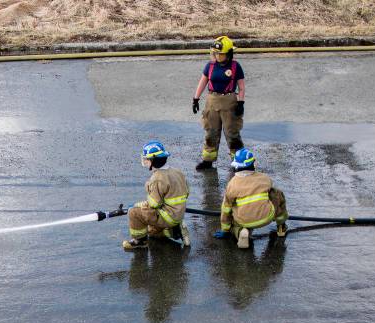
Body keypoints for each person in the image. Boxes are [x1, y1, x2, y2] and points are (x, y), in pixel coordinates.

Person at [215, 147, 289, 249]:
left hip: (243, 221)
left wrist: (225, 230)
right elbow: (270, 191)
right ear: (253, 164)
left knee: (229, 207)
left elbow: (226, 209)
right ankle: (281, 226)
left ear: (235, 166)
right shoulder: (264, 178)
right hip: (267, 217)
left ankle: (241, 232)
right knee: (276, 194)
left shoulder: (232, 184)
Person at [123, 141, 191, 251]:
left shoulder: (157, 178)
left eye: (146, 159)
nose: (145, 161)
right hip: (178, 214)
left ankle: (139, 241)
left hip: (167, 216)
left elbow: (154, 204)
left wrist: (148, 189)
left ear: (152, 161)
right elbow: (187, 192)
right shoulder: (178, 172)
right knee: (151, 232)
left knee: (134, 212)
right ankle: (172, 230)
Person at [192, 36, 245, 170]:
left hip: (229, 102)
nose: (216, 56)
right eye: (214, 53)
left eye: (219, 54)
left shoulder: (235, 66)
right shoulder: (209, 66)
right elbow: (203, 82)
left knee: (232, 133)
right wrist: (196, 99)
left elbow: (241, 87)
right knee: (211, 132)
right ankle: (208, 160)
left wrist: (241, 102)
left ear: (228, 54)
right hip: (212, 101)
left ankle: (238, 161)